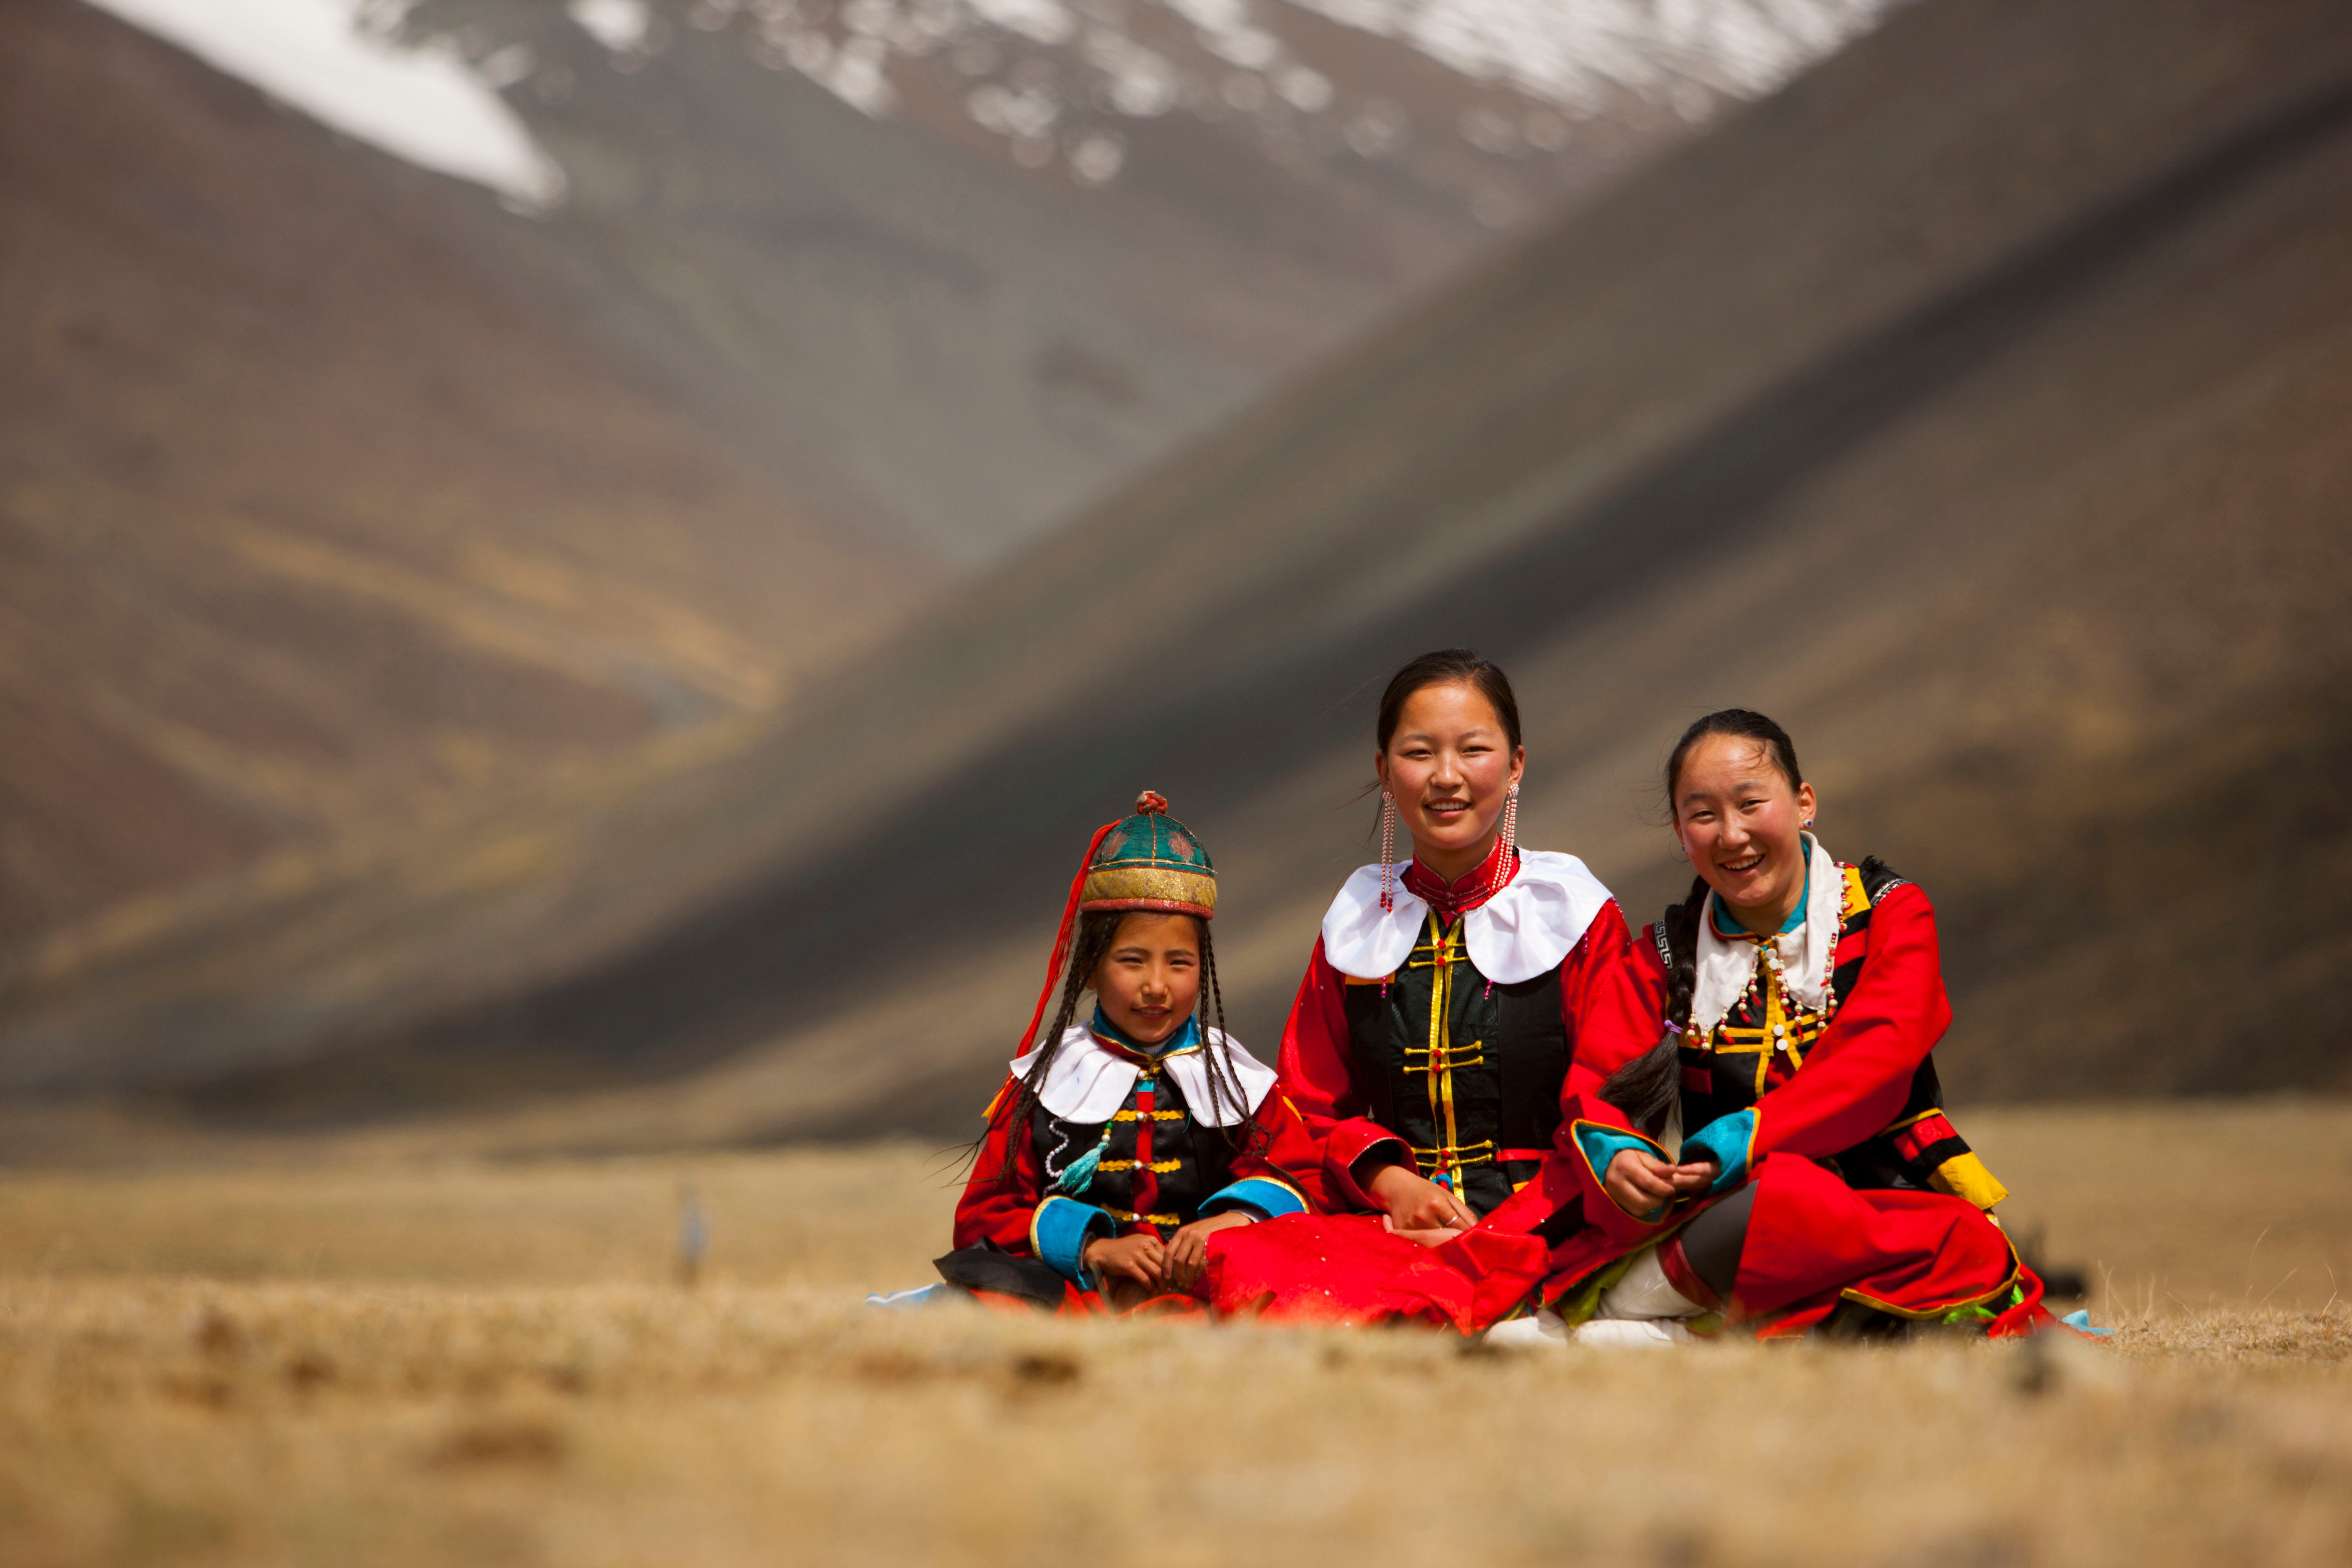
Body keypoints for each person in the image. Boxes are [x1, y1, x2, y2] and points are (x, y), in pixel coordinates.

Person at [1477, 709, 2050, 1345]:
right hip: (1720, 1215)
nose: (1732, 835)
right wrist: (1616, 1156)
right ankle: (1688, 1324)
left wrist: (1754, 1135)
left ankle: (1651, 1322)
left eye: (1752, 803)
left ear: (1804, 803)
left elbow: (1883, 1052)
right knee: (1773, 1203)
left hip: (1887, 1205)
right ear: (1679, 831)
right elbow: (1597, 1083)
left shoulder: (1890, 914)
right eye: (1703, 816)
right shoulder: (1661, 955)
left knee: (1944, 1242)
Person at [1275, 648, 1657, 1229]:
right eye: (1419, 753)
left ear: (1515, 765)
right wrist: (1391, 1183)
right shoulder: (1355, 921)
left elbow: (1612, 1108)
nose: (1446, 776)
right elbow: (1308, 1107)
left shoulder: (1575, 914)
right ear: (1384, 770)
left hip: (1554, 1221)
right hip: (1390, 1222)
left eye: (1473, 749)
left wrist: (1492, 1237)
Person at [939, 791, 1326, 1313]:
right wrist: (1096, 1248)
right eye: (1132, 961)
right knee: (992, 1299)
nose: (1157, 986)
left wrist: (1232, 1222)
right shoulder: (1043, 1082)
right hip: (1075, 1288)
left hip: (1200, 1287)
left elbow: (1302, 1180)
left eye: (1179, 963)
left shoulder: (1236, 1080)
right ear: (1090, 971)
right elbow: (986, 1212)